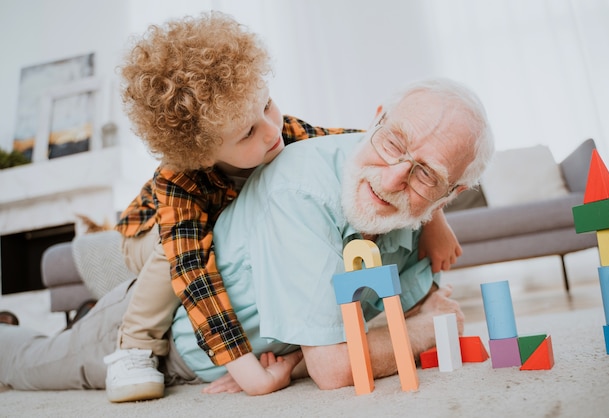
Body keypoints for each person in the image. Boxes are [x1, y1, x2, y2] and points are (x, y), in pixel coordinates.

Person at [0, 77, 494, 394]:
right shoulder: (217, 183)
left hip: (212, 310)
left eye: (426, 175)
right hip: (167, 313)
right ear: (378, 121)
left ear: (452, 190)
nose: (391, 181)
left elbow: (414, 302)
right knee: (25, 366)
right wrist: (258, 373)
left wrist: (434, 218)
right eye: (393, 144)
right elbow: (339, 366)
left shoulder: (350, 155)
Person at [106, 12, 461, 402]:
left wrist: (435, 221)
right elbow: (194, 274)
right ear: (204, 153)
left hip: (228, 229)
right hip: (147, 234)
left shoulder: (282, 131)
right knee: (169, 252)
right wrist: (247, 372)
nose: (272, 129)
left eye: (268, 105)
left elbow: (372, 152)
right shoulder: (180, 180)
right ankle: (135, 346)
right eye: (248, 133)